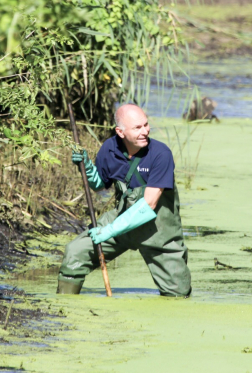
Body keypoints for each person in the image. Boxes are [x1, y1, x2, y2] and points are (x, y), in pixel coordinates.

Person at [56, 103, 191, 297]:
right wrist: (85, 165)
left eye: (146, 124)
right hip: (122, 221)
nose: (145, 131)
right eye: (137, 127)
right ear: (120, 132)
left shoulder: (161, 154)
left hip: (159, 233)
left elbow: (149, 205)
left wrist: (108, 231)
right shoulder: (109, 149)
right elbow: (99, 184)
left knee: (178, 293)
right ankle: (64, 308)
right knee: (75, 252)